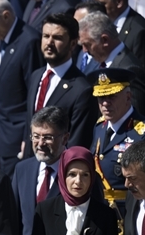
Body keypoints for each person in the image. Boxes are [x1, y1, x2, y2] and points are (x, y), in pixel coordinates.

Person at [0, 0, 43, 176]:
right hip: (0, 135)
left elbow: (34, 94)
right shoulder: (2, 38)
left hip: (16, 139)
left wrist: (27, 137)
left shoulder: (29, 42)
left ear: (6, 16)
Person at [89, 68, 145, 218]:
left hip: (129, 213)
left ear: (128, 97)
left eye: (111, 97)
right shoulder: (100, 126)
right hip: (101, 212)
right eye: (100, 98)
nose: (105, 103)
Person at [13, 106, 66, 235]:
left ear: (65, 138)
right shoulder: (22, 170)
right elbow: (13, 224)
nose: (40, 143)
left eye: (48, 137)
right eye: (36, 136)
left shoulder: (78, 173)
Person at [26, 13, 95, 150]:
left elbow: (77, 143)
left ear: (73, 44)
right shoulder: (35, 76)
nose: (49, 43)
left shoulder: (82, 89)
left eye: (57, 38)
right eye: (46, 36)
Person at [78, 11, 145, 122]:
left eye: (87, 44)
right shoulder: (100, 62)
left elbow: (134, 121)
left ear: (105, 40)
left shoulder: (129, 69)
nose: (85, 50)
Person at [91, 0, 145, 90]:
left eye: (102, 4)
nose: (97, 10)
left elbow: (143, 82)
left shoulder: (141, 32)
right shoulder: (103, 26)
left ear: (119, 2)